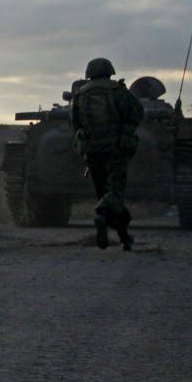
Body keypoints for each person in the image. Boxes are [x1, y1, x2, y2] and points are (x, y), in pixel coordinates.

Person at [69, 57, 145, 251]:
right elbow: (137, 113)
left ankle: (124, 237)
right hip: (115, 148)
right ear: (110, 71)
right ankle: (102, 217)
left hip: (92, 150)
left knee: (104, 194)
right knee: (115, 192)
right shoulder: (117, 90)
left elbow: (74, 122)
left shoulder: (80, 94)